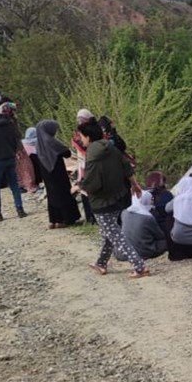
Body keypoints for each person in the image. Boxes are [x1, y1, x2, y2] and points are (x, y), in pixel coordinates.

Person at [74, 119, 147, 278]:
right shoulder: (110, 147)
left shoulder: (92, 154)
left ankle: (139, 266)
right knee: (109, 232)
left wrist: (79, 186)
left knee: (115, 235)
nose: (81, 139)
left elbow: (92, 182)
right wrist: (134, 184)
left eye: (81, 136)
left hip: (102, 202)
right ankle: (101, 263)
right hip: (119, 197)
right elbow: (126, 165)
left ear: (88, 137)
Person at [0, 101, 26, 222]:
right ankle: (20, 209)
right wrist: (13, 151)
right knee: (14, 184)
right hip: (10, 156)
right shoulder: (7, 120)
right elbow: (14, 137)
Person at [34, 120, 82, 228]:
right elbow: (67, 153)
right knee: (63, 193)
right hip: (57, 171)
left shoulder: (38, 142)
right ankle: (66, 219)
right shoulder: (50, 141)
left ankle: (54, 220)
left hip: (46, 172)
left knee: (52, 194)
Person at [119, 191, 168, 260]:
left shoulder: (124, 213)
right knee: (166, 241)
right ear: (146, 200)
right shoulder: (148, 217)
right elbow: (160, 236)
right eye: (151, 200)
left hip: (123, 253)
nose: (152, 202)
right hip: (143, 252)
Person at [72, 109, 98, 224]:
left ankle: (94, 217)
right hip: (83, 162)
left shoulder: (95, 130)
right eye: (79, 119)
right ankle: (90, 218)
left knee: (91, 185)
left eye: (82, 119)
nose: (80, 121)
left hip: (92, 161)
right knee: (84, 187)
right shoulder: (78, 133)